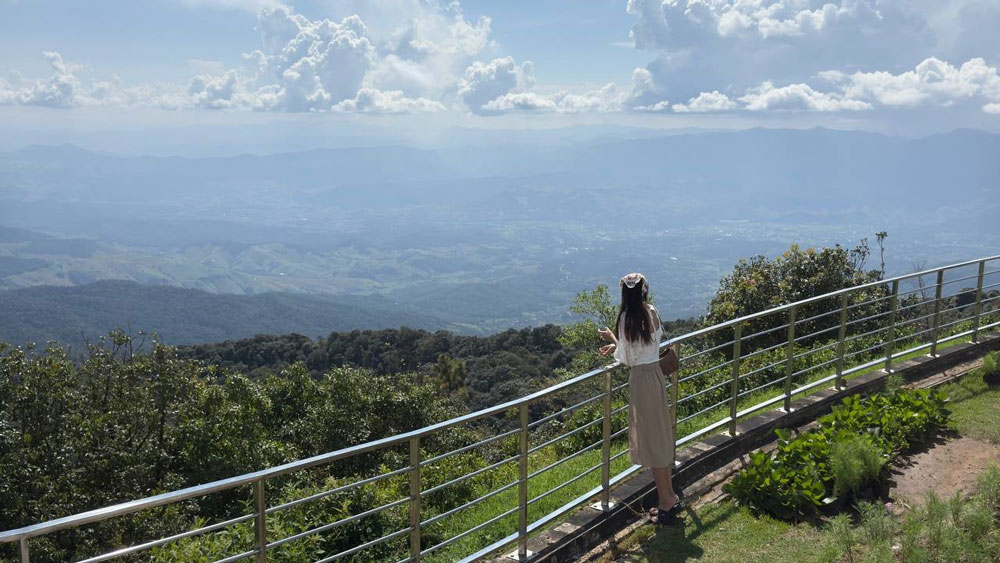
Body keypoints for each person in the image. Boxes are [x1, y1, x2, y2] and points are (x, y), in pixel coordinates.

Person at [597, 272, 683, 524]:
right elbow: (647, 347)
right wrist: (619, 344)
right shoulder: (652, 312)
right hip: (655, 374)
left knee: (653, 441)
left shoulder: (626, 317)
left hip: (641, 379)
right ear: (644, 291)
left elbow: (628, 358)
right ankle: (668, 496)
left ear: (625, 293)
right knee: (660, 436)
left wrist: (615, 342)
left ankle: (666, 500)